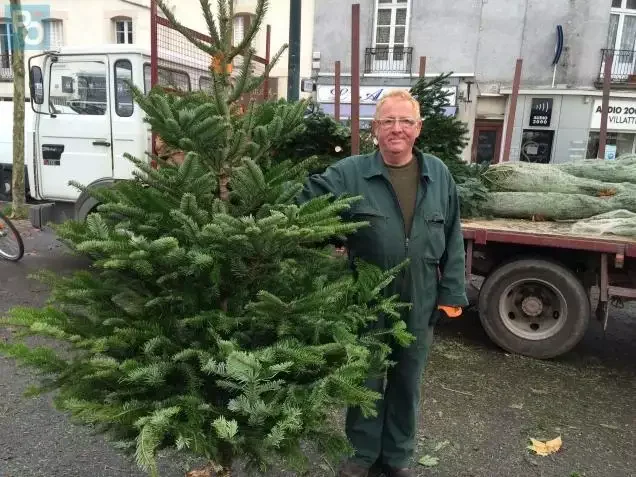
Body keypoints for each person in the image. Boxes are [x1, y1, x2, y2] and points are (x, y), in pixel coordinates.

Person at [298, 90, 468, 477]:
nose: (397, 129)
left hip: (421, 296)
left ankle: (397, 457)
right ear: (375, 128)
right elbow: (306, 201)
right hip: (367, 294)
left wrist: (451, 291)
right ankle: (361, 453)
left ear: (418, 128)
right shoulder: (351, 172)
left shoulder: (438, 173)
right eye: (388, 121)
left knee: (407, 381)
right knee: (366, 376)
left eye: (405, 122)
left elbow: (453, 234)